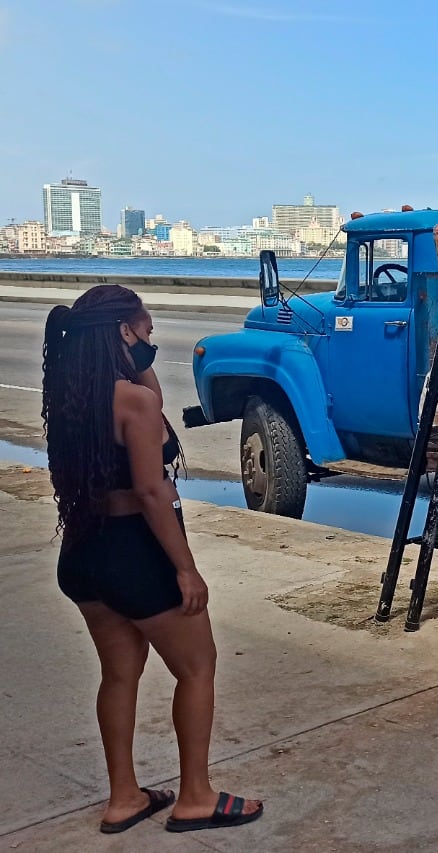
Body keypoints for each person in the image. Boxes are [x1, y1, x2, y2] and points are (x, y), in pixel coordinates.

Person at [43, 285, 263, 833]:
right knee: (197, 667)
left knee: (118, 675)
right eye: (146, 332)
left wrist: (131, 353)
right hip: (135, 553)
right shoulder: (133, 403)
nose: (151, 343)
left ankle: (124, 799)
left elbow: (151, 400)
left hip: (84, 552)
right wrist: (186, 568)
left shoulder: (72, 394)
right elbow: (149, 490)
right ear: (124, 331)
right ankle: (195, 797)